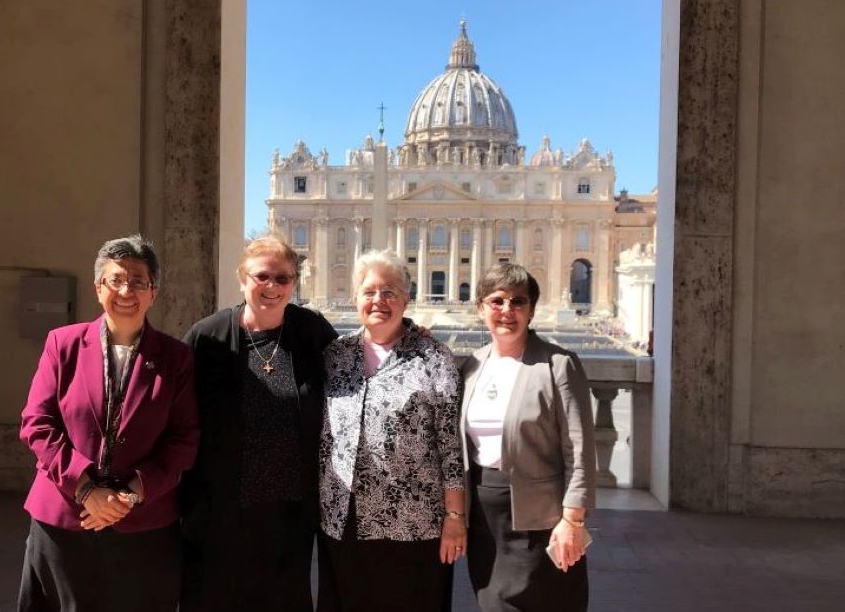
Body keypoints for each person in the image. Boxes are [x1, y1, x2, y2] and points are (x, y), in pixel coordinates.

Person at [17, 235, 199, 611]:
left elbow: (183, 440)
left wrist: (128, 496)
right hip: (66, 520)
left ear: (154, 292)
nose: (126, 290)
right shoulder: (62, 344)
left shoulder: (175, 357)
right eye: (115, 279)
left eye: (138, 280)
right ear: (99, 287)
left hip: (143, 522)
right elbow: (38, 423)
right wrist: (87, 491)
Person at [179, 235, 338, 611]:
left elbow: (360, 358)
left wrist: (409, 329)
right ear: (242, 279)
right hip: (221, 508)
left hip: (289, 512)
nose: (272, 286)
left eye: (283, 279)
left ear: (294, 283)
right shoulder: (208, 337)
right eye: (262, 276)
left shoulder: (312, 332)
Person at [318, 249, 465, 612]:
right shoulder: (334, 355)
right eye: (369, 292)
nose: (378, 301)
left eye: (390, 292)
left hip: (413, 522)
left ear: (406, 299)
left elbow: (450, 447)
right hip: (343, 518)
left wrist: (455, 518)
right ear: (355, 299)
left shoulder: (434, 357)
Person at [461, 263, 597, 612]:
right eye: (497, 301)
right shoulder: (471, 367)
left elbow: (579, 451)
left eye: (518, 302)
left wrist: (573, 520)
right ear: (480, 308)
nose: (507, 311)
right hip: (485, 522)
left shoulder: (559, 365)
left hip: (542, 520)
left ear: (531, 310)